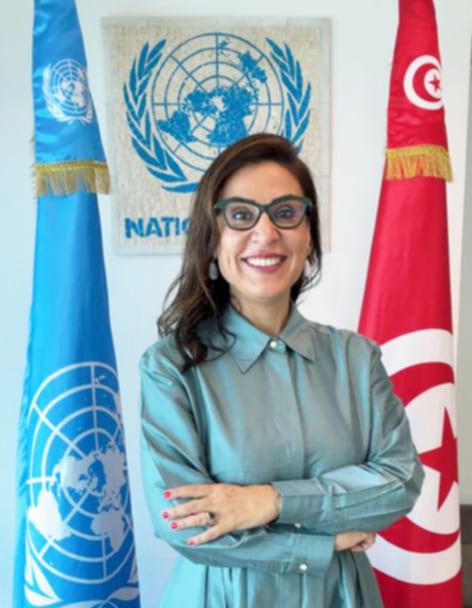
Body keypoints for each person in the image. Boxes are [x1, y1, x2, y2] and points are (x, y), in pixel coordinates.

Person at [139, 133, 424, 607]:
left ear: (309, 235)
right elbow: (185, 524)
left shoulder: (356, 358)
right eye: (241, 215)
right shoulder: (171, 367)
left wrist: (269, 501)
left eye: (286, 212)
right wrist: (322, 543)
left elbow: (400, 483)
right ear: (212, 239)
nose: (266, 233)